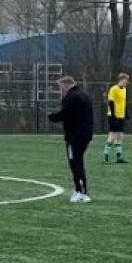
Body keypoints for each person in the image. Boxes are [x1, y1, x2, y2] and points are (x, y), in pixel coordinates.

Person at [48, 74, 95, 203]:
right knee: (78, 161)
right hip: (86, 134)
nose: (60, 90)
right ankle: (78, 189)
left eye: (60, 87)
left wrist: (51, 117)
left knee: (75, 163)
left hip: (74, 136)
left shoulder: (71, 97)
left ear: (65, 85)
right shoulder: (84, 95)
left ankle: (82, 192)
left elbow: (64, 114)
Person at [103, 71, 130, 163]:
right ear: (122, 79)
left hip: (121, 116)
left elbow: (123, 103)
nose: (127, 82)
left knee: (120, 136)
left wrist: (125, 114)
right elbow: (111, 102)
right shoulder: (114, 89)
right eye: (126, 80)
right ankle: (105, 156)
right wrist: (114, 116)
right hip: (113, 116)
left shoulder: (124, 89)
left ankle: (119, 157)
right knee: (112, 135)